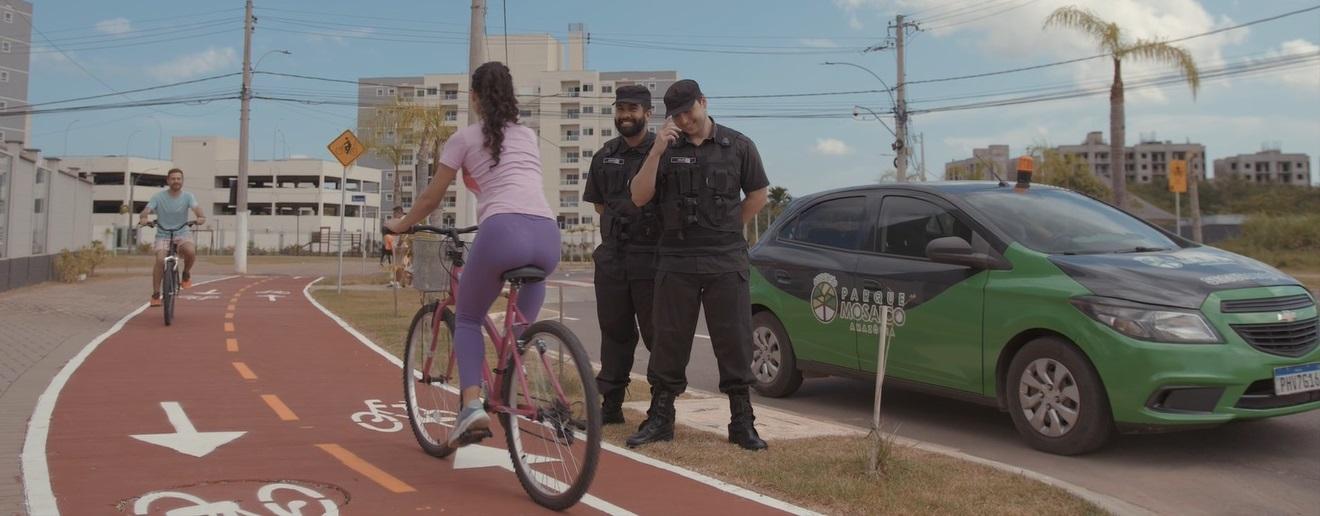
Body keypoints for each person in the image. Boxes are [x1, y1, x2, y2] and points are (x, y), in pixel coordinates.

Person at [386, 61, 559, 448]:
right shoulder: (527, 136)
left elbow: (432, 197)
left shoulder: (464, 138)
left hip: (502, 232)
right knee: (519, 333)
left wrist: (400, 225)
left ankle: (470, 407)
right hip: (547, 235)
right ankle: (515, 382)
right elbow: (509, 181)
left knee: (466, 317)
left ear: (474, 97)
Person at [626, 79, 770, 451]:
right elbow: (639, 196)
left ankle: (742, 423)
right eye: (678, 115)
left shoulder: (738, 145)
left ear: (704, 102)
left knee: (734, 340)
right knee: (669, 341)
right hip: (676, 257)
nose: (685, 120)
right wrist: (656, 151)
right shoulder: (665, 150)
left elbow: (758, 194)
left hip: (725, 258)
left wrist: (729, 224)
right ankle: (661, 419)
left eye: (690, 111)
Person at [583, 85, 661, 425]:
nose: (625, 115)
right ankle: (610, 407)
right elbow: (600, 204)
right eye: (621, 109)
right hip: (613, 258)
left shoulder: (663, 152)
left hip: (652, 258)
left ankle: (661, 410)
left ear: (648, 113)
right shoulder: (604, 155)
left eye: (633, 109)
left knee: (658, 334)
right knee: (614, 332)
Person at [139, 168, 206, 307]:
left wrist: (200, 217)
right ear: (168, 181)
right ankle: (156, 294)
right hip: (163, 234)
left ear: (182, 181)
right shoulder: (158, 197)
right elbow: (147, 209)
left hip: (182, 232)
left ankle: (186, 273)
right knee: (159, 260)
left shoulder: (188, 196)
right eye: (173, 178)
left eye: (178, 178)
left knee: (190, 251)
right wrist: (144, 217)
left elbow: (197, 209)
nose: (176, 181)